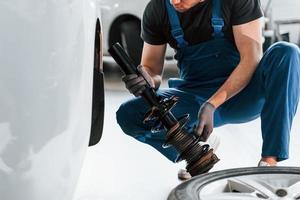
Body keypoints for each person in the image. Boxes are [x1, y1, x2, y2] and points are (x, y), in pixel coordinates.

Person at [116, 0, 300, 180]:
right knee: (129, 113)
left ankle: (269, 161)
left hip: (244, 95)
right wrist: (145, 79)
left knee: (286, 52)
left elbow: (251, 59)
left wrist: (212, 104)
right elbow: (152, 69)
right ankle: (195, 152)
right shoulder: (158, 8)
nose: (175, 1)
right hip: (194, 99)